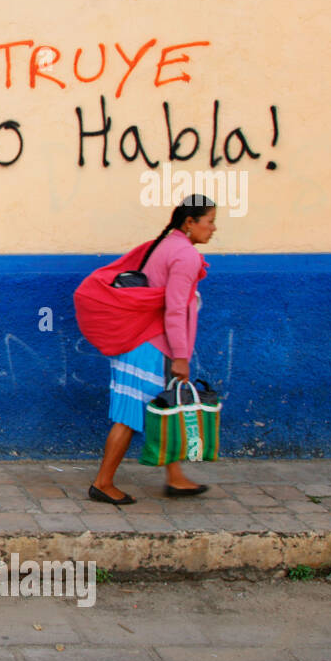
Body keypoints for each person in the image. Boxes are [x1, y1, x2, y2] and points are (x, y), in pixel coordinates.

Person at [89, 194, 217, 504]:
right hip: (149, 345)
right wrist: (182, 356)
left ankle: (175, 478)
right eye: (210, 221)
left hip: (143, 340)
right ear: (190, 222)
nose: (214, 229)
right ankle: (103, 483)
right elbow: (174, 308)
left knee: (165, 406)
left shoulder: (165, 244)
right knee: (131, 416)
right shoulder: (185, 255)